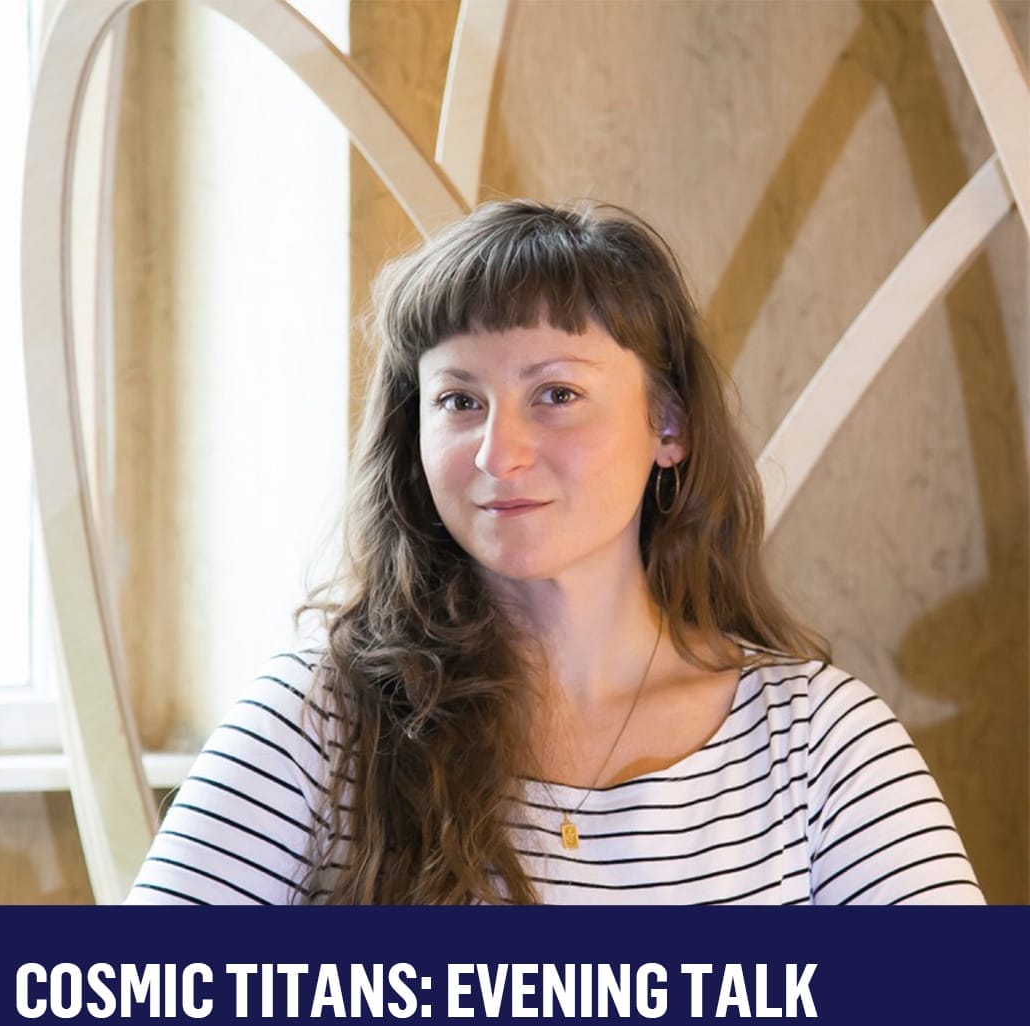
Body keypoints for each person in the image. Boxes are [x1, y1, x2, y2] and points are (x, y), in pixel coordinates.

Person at [126, 199, 983, 906]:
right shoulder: (317, 720)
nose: (500, 454)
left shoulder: (818, 741)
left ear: (669, 425)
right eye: (459, 401)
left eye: (558, 394)